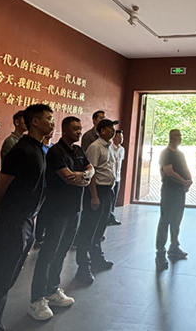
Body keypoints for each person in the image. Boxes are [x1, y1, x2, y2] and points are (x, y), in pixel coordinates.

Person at [0, 104, 53, 331]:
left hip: (26, 221)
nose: (52, 123)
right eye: (48, 118)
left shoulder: (38, 148)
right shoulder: (21, 150)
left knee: (7, 279)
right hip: (12, 222)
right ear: (34, 122)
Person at [28, 116, 93, 321]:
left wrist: (83, 175)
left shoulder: (78, 150)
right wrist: (84, 176)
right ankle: (37, 299)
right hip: (57, 212)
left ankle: (52, 290)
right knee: (48, 253)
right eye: (75, 128)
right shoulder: (56, 152)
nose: (79, 132)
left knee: (62, 252)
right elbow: (67, 177)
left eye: (80, 128)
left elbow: (90, 169)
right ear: (64, 130)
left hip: (74, 210)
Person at [75, 118, 118, 283]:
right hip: (97, 191)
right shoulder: (95, 147)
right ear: (102, 131)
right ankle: (83, 267)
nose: (113, 131)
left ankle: (97, 259)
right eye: (110, 128)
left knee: (100, 227)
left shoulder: (109, 147)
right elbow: (91, 173)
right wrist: (93, 196)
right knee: (89, 229)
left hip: (107, 191)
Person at [155, 129, 192, 270]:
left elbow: (185, 167)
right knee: (165, 221)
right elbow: (169, 172)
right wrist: (183, 182)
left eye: (180, 136)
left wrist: (189, 180)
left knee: (176, 220)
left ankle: (174, 247)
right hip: (169, 192)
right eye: (177, 136)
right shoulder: (166, 153)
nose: (179, 139)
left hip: (179, 192)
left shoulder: (180, 154)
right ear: (171, 138)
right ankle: (160, 253)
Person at [108, 129, 125, 226]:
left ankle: (112, 216)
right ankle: (108, 217)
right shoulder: (109, 148)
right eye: (119, 137)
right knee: (109, 199)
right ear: (113, 138)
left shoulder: (122, 149)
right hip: (109, 177)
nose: (121, 139)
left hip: (117, 177)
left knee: (114, 198)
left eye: (122, 137)